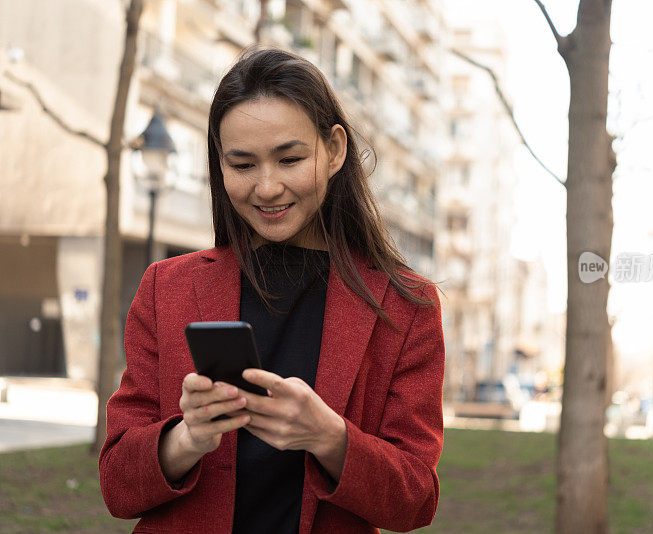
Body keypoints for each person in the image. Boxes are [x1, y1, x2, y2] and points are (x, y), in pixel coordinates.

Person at [99, 48, 445, 534]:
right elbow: (117, 485)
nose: (266, 187)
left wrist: (330, 438)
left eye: (290, 159)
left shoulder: (405, 305)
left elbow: (415, 502)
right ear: (220, 166)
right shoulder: (166, 288)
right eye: (242, 164)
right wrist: (188, 437)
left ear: (335, 150)